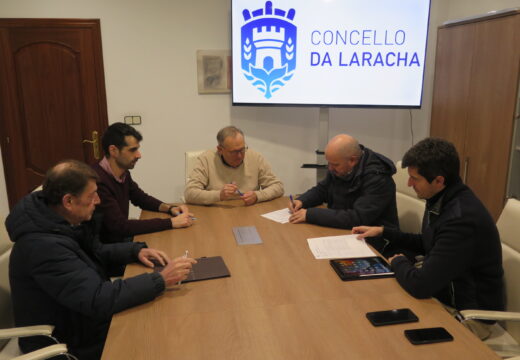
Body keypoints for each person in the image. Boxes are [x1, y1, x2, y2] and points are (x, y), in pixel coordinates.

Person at [6, 160, 196, 360]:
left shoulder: (57, 222)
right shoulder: (43, 246)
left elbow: (93, 252)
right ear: (68, 201)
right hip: (65, 340)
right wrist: (160, 279)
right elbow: (98, 299)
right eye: (91, 196)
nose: (97, 201)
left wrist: (134, 251)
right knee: (162, 339)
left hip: (79, 320)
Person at [353, 138, 504, 318]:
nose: (409, 184)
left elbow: (421, 285)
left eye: (414, 178)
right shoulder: (441, 198)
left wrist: (398, 262)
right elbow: (429, 242)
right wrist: (384, 232)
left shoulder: (461, 220)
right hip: (441, 292)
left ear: (439, 181)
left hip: (469, 315)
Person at [92, 122, 193, 244]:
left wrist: (170, 209)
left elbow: (140, 198)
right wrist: (171, 222)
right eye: (132, 150)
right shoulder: (97, 181)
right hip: (110, 249)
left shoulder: (123, 172)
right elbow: (120, 226)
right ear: (113, 150)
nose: (139, 155)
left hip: (119, 240)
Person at [289, 134, 398, 234]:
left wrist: (310, 214)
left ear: (352, 160)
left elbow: (357, 218)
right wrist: (302, 200)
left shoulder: (378, 178)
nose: (330, 168)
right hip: (344, 231)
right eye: (329, 163)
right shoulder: (342, 167)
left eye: (335, 165)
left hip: (374, 241)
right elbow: (323, 190)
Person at [184, 126, 284, 205]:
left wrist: (257, 196)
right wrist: (219, 195)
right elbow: (190, 193)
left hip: (248, 211)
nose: (240, 155)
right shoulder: (206, 159)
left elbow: (278, 187)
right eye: (234, 152)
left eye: (242, 149)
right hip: (216, 213)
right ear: (220, 150)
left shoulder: (255, 157)